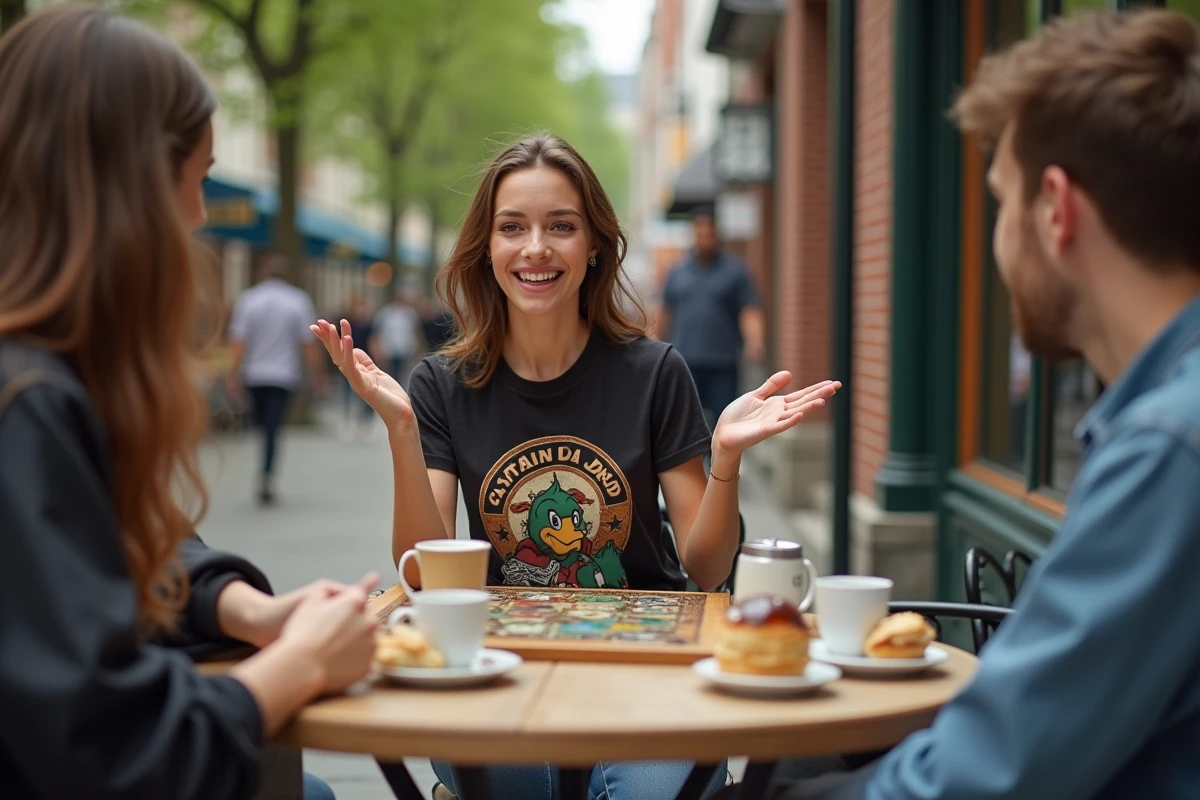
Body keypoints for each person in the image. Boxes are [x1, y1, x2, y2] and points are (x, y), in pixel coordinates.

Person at [724, 9, 1200, 799]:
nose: (997, 239)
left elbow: (990, 773)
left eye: (1000, 203)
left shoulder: (1168, 447)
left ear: (1056, 208)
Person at [314, 133, 839, 800]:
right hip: (503, 670)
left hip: (649, 676)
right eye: (513, 228)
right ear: (488, 248)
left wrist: (726, 459)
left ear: (594, 247)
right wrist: (401, 430)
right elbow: (423, 571)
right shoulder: (441, 385)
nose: (536, 247)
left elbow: (706, 569)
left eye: (560, 226)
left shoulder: (656, 374)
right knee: (497, 775)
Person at [0, 7, 379, 797]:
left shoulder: (43, 378)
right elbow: (112, 751)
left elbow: (111, 543)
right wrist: (300, 663)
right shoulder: (29, 403)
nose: (200, 218)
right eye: (198, 179)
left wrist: (244, 610)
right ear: (129, 183)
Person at [228, 254, 327, 504]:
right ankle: (267, 473)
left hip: (254, 374)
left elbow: (239, 342)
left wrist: (233, 374)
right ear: (288, 277)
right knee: (273, 426)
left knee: (263, 425)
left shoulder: (249, 299)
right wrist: (317, 373)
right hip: (283, 375)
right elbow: (308, 343)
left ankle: (264, 468)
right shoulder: (298, 301)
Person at [658, 209, 766, 425]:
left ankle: (718, 458)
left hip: (722, 361)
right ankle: (696, 459)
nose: (704, 238)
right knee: (687, 420)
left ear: (717, 235)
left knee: (724, 419)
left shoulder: (735, 271)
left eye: (709, 233)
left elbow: (749, 309)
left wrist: (755, 341)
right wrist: (653, 344)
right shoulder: (678, 272)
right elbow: (664, 310)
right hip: (685, 360)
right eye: (700, 233)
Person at [336, 293, 378, 440]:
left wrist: (378, 358)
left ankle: (363, 423)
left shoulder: (369, 324)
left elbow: (373, 342)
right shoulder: (346, 322)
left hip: (364, 362)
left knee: (365, 392)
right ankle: (348, 422)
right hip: (348, 362)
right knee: (347, 392)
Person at [372, 289, 421, 387]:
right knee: (391, 372)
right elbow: (378, 332)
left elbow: (415, 331)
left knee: (403, 372)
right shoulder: (385, 313)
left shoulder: (409, 313)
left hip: (405, 348)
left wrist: (415, 346)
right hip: (389, 349)